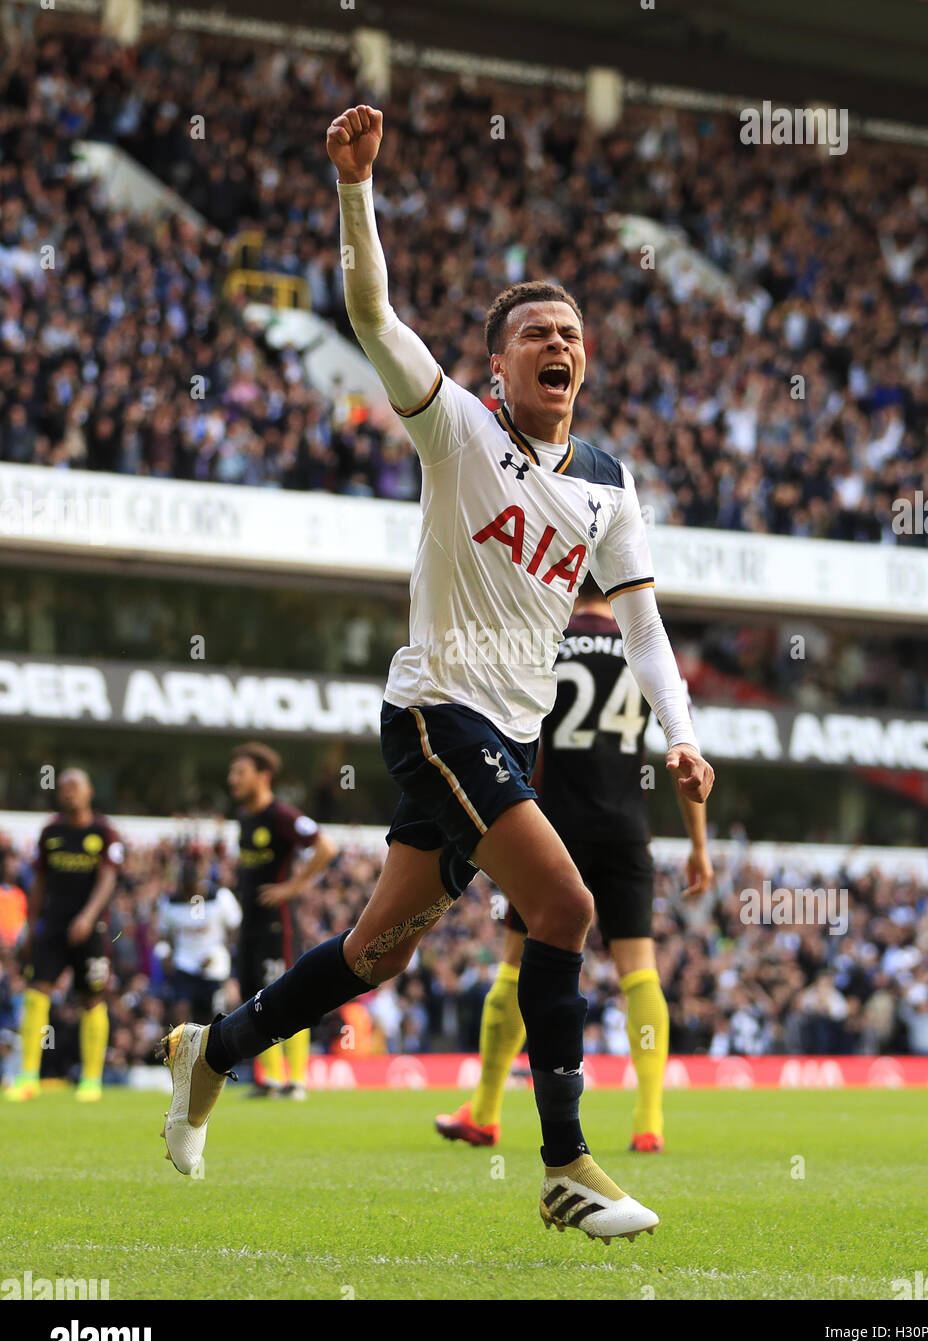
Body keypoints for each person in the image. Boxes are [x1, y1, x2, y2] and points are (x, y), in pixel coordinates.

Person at [160, 106, 713, 1246]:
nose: (559, 346)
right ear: (497, 360)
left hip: (507, 738)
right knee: (564, 903)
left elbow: (648, 630)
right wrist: (355, 189)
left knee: (371, 953)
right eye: (535, 335)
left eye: (572, 334)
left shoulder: (610, 487)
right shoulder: (455, 428)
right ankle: (565, 1164)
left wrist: (681, 731)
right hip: (434, 712)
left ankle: (208, 1051)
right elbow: (370, 312)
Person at [435, 575, 713, 1152]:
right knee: (639, 968)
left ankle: (485, 1112)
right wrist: (698, 848)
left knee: (516, 963)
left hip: (549, 827)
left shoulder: (544, 643)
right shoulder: (645, 652)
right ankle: (649, 1122)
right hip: (625, 830)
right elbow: (686, 762)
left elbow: (508, 734)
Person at [227, 743, 338, 1099]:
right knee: (254, 997)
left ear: (263, 776)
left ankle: (298, 1080)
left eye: (239, 773)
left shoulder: (282, 815)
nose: (232, 780)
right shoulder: (244, 819)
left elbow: (326, 847)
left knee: (284, 995)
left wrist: (291, 887)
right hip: (250, 924)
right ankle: (271, 1079)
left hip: (278, 924)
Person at [7, 769, 123, 1102]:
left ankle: (91, 1079)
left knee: (91, 998)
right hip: (53, 927)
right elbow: (40, 883)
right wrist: (31, 925)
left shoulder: (104, 832)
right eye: (64, 787)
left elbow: (107, 879)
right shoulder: (51, 832)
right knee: (36, 994)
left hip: (91, 930)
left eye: (75, 786)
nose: (68, 792)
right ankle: (28, 1076)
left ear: (89, 792)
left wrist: (87, 917)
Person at [156, 851, 242, 1026]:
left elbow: (235, 928)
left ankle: (212, 1051)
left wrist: (223, 953)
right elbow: (165, 935)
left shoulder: (220, 898)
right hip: (184, 962)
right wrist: (166, 954)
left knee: (215, 1015)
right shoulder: (169, 904)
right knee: (181, 1011)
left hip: (214, 963)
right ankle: (182, 1052)